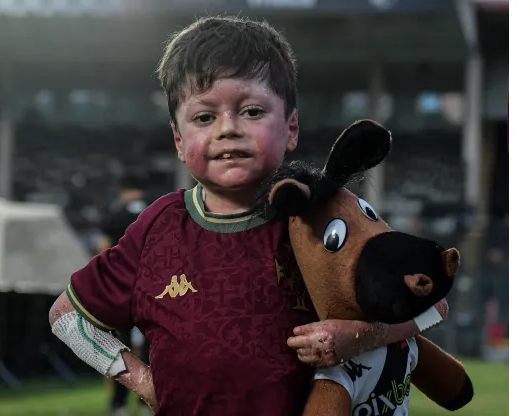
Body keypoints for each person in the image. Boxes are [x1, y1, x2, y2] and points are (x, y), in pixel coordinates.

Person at [48, 16, 447, 415]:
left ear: (291, 127)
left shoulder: (322, 214)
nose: (228, 129)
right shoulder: (157, 228)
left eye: (252, 111)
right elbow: (66, 316)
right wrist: (145, 382)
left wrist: (356, 337)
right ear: (178, 140)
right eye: (204, 117)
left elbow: (432, 304)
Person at [97, 175, 152, 416]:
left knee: (119, 347)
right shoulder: (155, 210)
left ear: (122, 190)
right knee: (154, 347)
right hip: (153, 288)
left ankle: (119, 403)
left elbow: (103, 249)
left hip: (123, 288)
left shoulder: (115, 215)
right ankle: (148, 401)